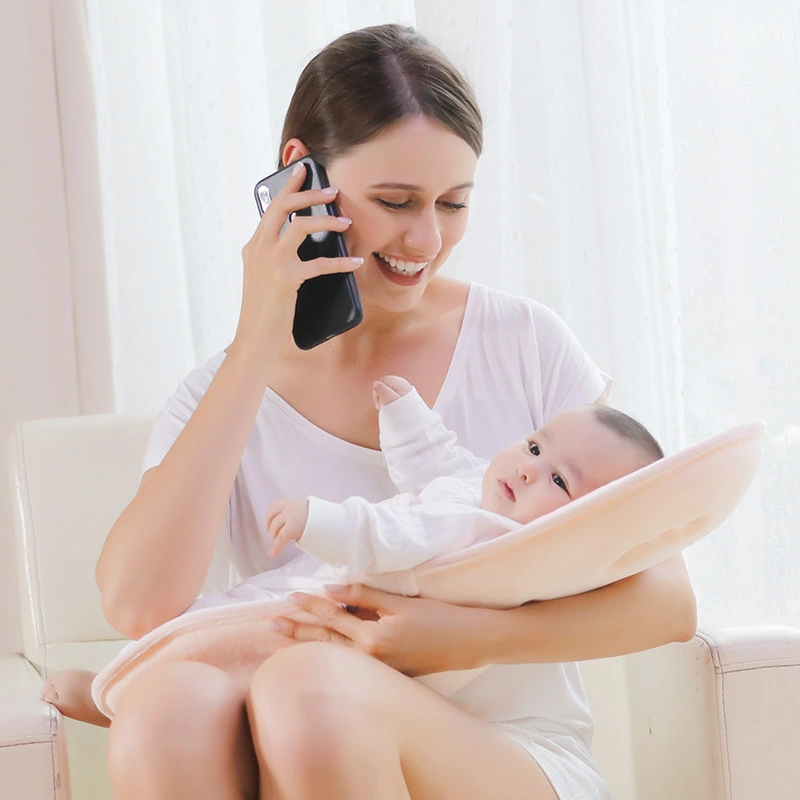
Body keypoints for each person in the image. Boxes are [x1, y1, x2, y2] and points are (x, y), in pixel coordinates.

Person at [89, 23, 696, 800]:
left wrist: (460, 638)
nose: (427, 238)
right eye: (395, 201)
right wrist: (255, 344)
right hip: (298, 747)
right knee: (167, 703)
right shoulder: (223, 393)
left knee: (312, 685)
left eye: (453, 203)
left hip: (504, 752)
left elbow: (670, 600)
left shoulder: (525, 343)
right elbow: (139, 604)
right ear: (299, 176)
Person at [44, 375, 664, 730]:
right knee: (221, 618)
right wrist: (406, 415)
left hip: (336, 602)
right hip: (332, 606)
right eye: (534, 448)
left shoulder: (488, 537)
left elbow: (388, 542)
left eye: (560, 482)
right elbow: (438, 462)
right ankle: (127, 688)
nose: (531, 472)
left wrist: (320, 518)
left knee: (224, 632)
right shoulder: (480, 490)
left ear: (582, 524)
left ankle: (112, 691)